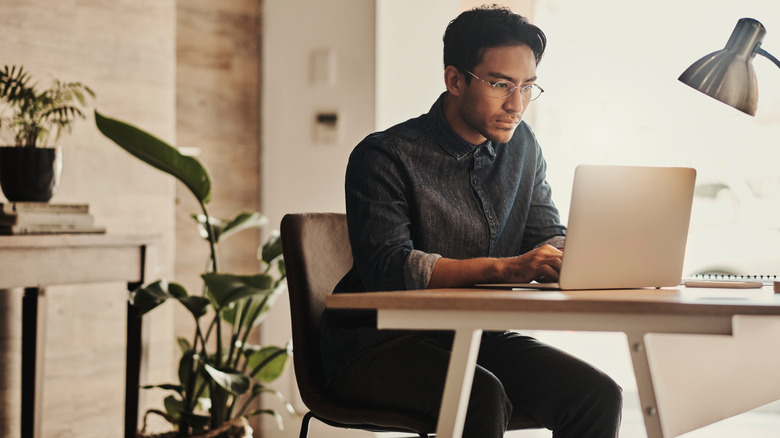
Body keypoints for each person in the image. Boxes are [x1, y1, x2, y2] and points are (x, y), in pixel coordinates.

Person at [320, 5, 623, 437]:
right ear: (455, 80)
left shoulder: (523, 148)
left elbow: (544, 235)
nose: (517, 104)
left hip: (477, 337)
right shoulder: (385, 155)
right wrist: (507, 268)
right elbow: (390, 269)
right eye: (501, 84)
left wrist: (589, 250)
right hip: (376, 344)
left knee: (596, 394)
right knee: (478, 394)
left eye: (527, 87)